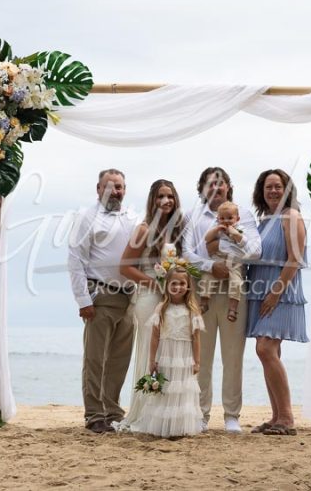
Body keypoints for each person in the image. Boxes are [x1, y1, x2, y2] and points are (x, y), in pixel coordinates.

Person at [182, 167, 261, 433]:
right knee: (201, 356)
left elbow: (256, 251)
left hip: (234, 293)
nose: (215, 188)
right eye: (209, 184)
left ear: (228, 186)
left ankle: (231, 415)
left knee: (233, 355)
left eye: (220, 183)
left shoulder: (244, 215)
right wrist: (209, 266)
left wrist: (232, 249)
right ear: (202, 188)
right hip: (203, 289)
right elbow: (187, 253)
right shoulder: (193, 217)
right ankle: (201, 414)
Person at [67, 169, 139, 433]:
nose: (115, 192)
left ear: (125, 189)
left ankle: (112, 411)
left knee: (120, 359)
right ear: (98, 189)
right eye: (109, 187)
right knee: (96, 359)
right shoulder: (86, 218)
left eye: (119, 187)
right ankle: (95, 414)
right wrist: (83, 300)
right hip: (100, 296)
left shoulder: (132, 218)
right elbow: (76, 260)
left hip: (129, 297)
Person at [117, 179, 185, 431]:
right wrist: (154, 283)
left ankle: (165, 415)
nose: (166, 201)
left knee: (169, 353)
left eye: (170, 196)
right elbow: (125, 267)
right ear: (152, 201)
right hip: (149, 298)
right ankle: (145, 414)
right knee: (151, 354)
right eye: (160, 197)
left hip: (172, 299)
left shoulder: (177, 231)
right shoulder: (144, 230)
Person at [246, 169, 308, 436]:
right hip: (259, 291)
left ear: (287, 191)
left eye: (278, 186)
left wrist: (275, 292)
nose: (273, 191)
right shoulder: (263, 222)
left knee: (265, 350)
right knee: (269, 352)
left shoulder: (291, 217)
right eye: (268, 187)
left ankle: (287, 417)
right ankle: (276, 417)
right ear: (261, 192)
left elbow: (295, 259)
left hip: (281, 292)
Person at [131, 267, 205, 438]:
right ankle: (163, 427)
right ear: (166, 285)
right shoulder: (161, 308)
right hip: (165, 355)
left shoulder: (193, 309)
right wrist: (151, 360)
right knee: (166, 388)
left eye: (182, 283)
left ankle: (178, 427)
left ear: (188, 286)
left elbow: (196, 338)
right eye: (173, 283)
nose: (177, 287)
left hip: (184, 356)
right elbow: (155, 337)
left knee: (181, 389)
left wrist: (197, 361)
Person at [198, 201, 244, 322]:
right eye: (222, 218)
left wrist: (235, 233)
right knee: (206, 278)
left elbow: (243, 243)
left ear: (237, 219)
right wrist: (216, 229)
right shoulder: (216, 229)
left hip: (233, 263)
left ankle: (233, 308)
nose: (226, 221)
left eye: (230, 218)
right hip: (217, 260)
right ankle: (204, 302)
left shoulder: (240, 229)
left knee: (236, 282)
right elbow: (207, 239)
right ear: (218, 219)